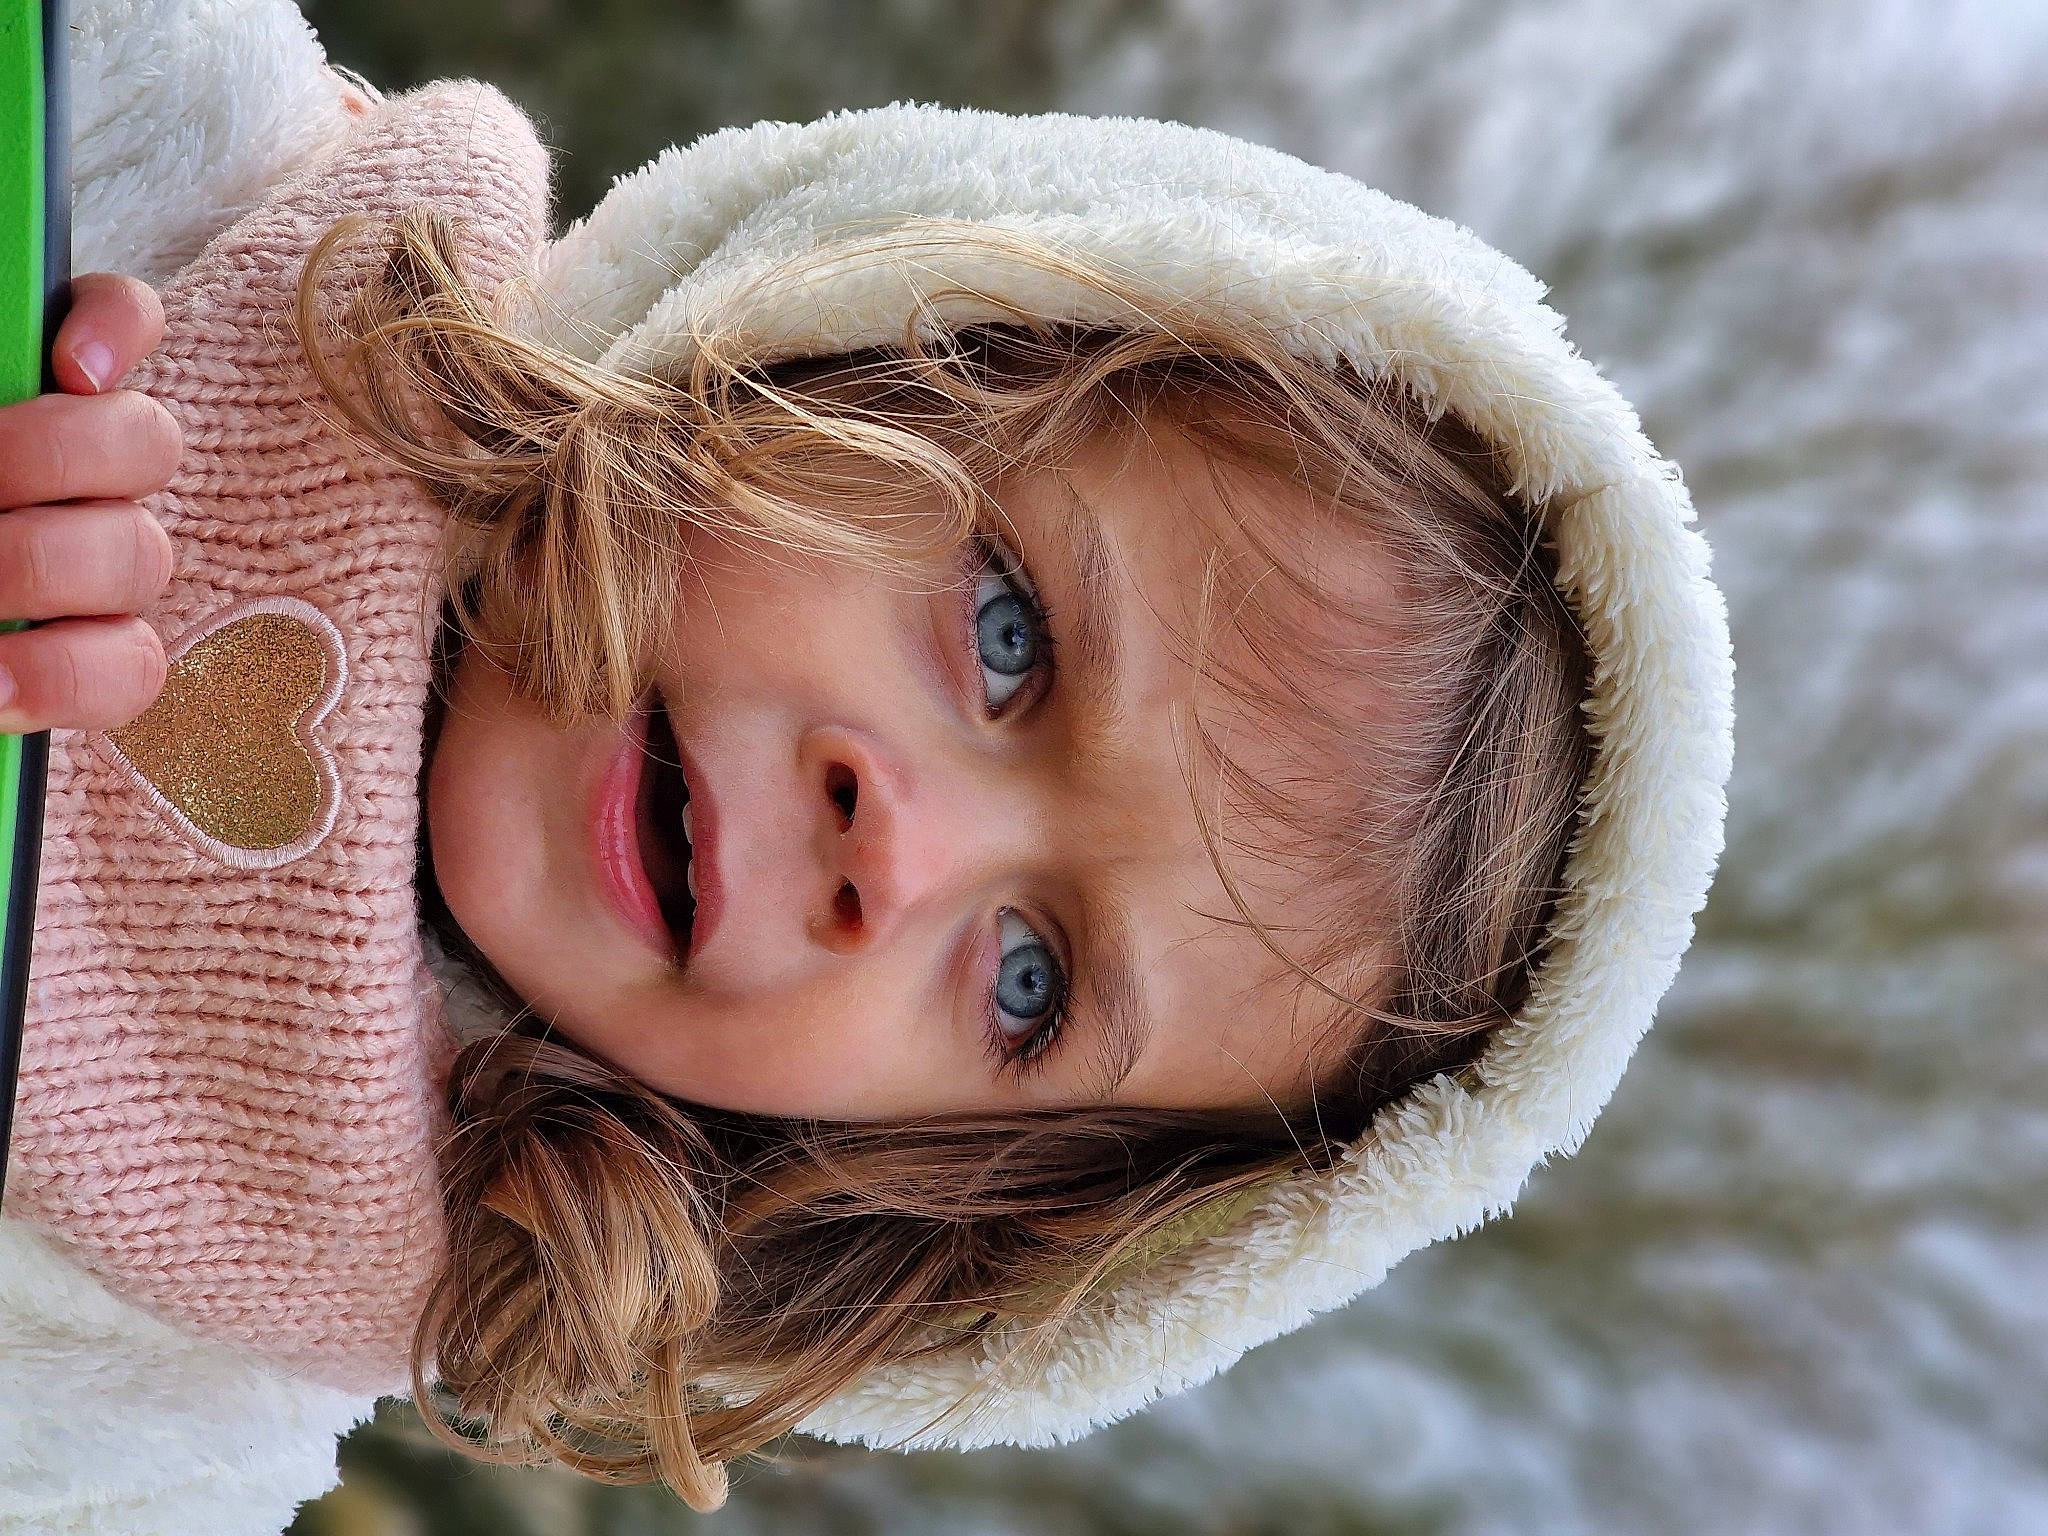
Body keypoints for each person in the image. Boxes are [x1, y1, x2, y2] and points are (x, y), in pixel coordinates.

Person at [0, 0, 1734, 1526]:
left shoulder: (140, 1440)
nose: (889, 848)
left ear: (931, 1189)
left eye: (1033, 978)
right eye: (1012, 639)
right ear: (874, 332)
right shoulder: (155, 138)